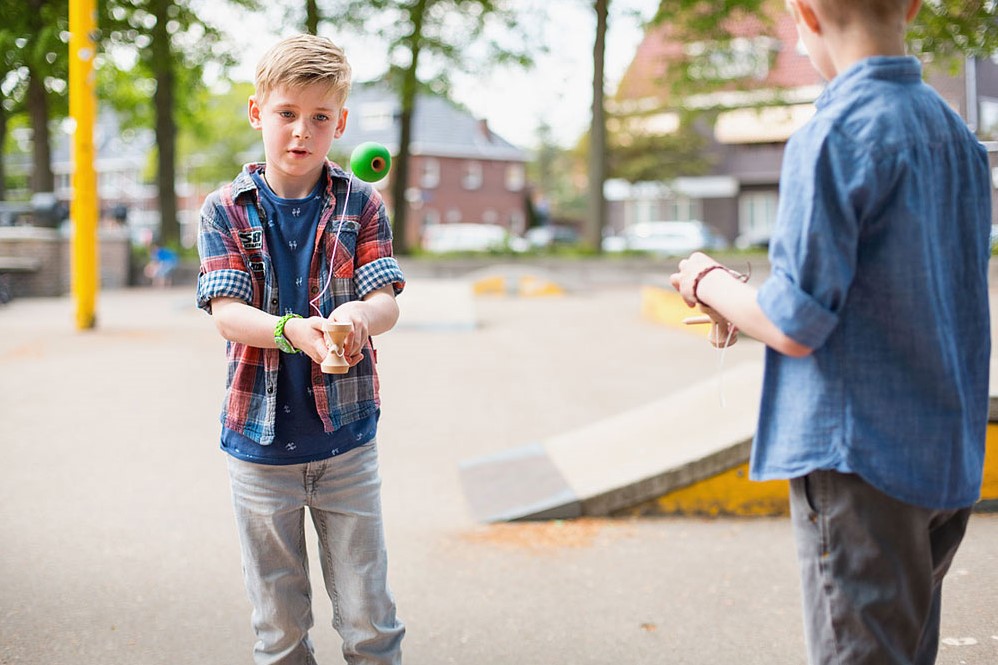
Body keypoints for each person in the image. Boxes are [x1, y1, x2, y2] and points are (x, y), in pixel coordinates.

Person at [670, 1, 991, 663]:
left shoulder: (835, 132)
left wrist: (707, 281)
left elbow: (794, 321)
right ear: (912, 6)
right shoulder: (957, 136)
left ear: (806, 13)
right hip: (944, 454)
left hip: (860, 460)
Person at [195, 34, 406, 665]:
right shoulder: (222, 209)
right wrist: (292, 331)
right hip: (259, 452)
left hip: (345, 443)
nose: (301, 132)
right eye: (287, 113)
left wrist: (355, 316)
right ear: (258, 112)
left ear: (340, 123)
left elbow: (387, 301)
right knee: (279, 629)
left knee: (371, 622)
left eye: (319, 118)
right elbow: (228, 315)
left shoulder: (363, 203)